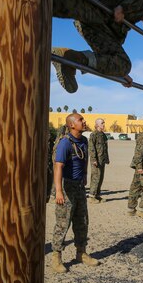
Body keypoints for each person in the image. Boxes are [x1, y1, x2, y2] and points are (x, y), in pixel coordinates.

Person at [52, 0, 143, 93]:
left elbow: (109, 46)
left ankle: (71, 58)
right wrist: (123, 8)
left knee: (124, 64)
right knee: (49, 1)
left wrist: (120, 73)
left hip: (96, 23)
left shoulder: (129, 22)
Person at [51, 113, 100, 273]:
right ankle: (56, 257)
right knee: (62, 223)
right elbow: (58, 167)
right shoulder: (65, 143)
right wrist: (58, 191)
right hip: (67, 187)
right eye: (81, 120)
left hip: (79, 187)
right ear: (72, 125)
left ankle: (81, 253)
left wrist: (85, 175)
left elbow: (84, 159)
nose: (84, 122)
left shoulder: (84, 141)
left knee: (82, 221)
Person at [88, 118, 110, 203]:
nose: (103, 124)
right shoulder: (94, 134)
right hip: (96, 161)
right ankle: (92, 196)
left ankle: (97, 195)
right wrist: (93, 159)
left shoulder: (103, 135)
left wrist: (107, 159)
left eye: (104, 123)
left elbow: (105, 148)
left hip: (102, 160)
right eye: (102, 123)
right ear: (97, 125)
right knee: (95, 177)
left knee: (100, 178)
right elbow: (91, 147)